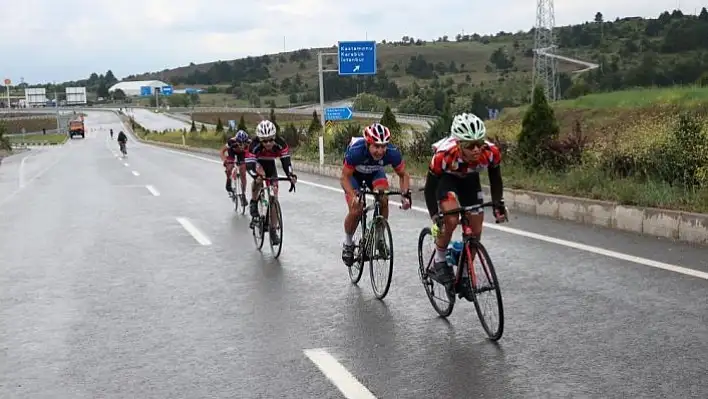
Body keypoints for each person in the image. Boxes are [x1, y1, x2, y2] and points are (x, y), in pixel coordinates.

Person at [423, 112, 507, 285]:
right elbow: (429, 189)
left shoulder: (490, 152)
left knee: (475, 230)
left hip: (469, 180)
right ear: (459, 144)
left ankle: (465, 273)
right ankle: (439, 260)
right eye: (470, 145)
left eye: (479, 143)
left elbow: (496, 180)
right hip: (446, 180)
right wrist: (435, 216)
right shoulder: (444, 155)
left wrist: (498, 204)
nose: (476, 149)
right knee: (451, 219)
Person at [340, 122, 411, 267]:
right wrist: (353, 196)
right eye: (376, 146)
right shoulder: (356, 151)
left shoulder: (392, 152)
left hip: (374, 174)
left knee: (383, 198)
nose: (380, 151)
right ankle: (348, 243)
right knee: (356, 208)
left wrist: (405, 195)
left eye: (383, 146)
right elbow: (344, 178)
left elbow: (404, 175)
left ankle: (379, 237)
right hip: (354, 176)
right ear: (368, 144)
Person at [245, 120, 297, 245]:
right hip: (257, 163)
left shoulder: (281, 143)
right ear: (259, 139)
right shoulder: (254, 145)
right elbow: (250, 165)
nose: (268, 143)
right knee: (260, 176)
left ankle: (273, 230)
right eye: (264, 140)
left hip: (270, 164)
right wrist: (256, 176)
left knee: (274, 196)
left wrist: (290, 175)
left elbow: (286, 163)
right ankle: (253, 202)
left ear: (275, 137)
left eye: (270, 139)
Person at [220, 130, 250, 205]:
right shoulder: (231, 142)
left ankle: (243, 194)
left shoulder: (249, 142)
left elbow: (252, 153)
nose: (242, 145)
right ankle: (228, 182)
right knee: (229, 168)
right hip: (232, 152)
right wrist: (225, 160)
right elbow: (222, 152)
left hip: (242, 155)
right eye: (240, 143)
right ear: (236, 140)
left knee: (243, 172)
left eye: (244, 143)